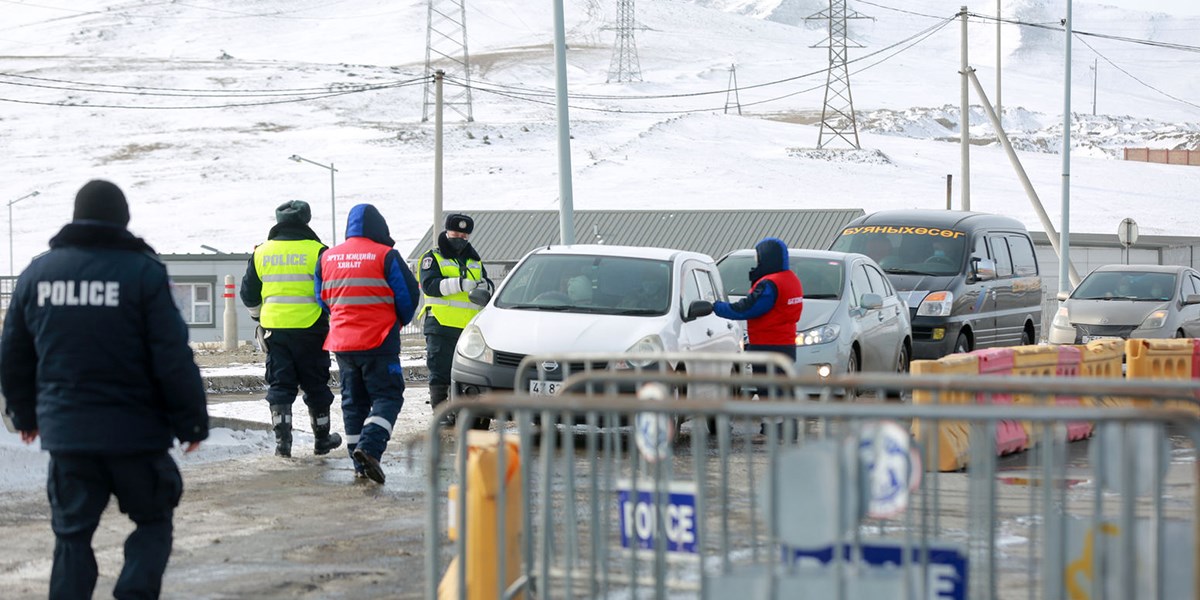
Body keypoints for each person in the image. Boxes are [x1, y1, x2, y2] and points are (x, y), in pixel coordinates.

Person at [0, 180, 209, 599]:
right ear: (123, 220)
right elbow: (171, 355)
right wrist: (191, 422)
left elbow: (13, 354)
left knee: (72, 536)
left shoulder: (38, 274)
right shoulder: (144, 273)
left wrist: (25, 415)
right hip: (137, 437)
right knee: (153, 522)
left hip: (69, 438)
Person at [315, 204, 419, 484]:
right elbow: (408, 297)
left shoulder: (327, 258)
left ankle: (358, 462)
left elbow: (321, 298)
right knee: (388, 396)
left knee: (354, 402)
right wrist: (398, 321)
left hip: (342, 342)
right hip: (379, 340)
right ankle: (370, 449)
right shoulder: (385, 255)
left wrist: (343, 318)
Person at [241, 200, 342, 458]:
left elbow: (248, 294)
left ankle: (282, 445)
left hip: (276, 332)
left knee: (280, 385)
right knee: (316, 385)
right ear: (306, 220)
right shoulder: (318, 252)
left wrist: (259, 320)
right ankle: (322, 440)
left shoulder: (262, 252)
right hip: (311, 330)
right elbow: (332, 293)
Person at [417, 213, 493, 426]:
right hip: (441, 325)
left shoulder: (475, 260)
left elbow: (488, 283)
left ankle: (465, 413)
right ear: (447, 232)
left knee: (468, 374)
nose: (460, 237)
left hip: (469, 329)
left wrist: (486, 287)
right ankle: (441, 413)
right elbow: (430, 285)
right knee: (440, 373)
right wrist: (460, 284)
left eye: (464, 234)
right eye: (456, 233)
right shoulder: (432, 257)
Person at [712, 237, 804, 394]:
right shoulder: (792, 280)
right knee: (781, 390)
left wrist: (716, 307)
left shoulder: (770, 283)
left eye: (758, 256)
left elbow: (747, 308)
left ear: (767, 256)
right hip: (786, 345)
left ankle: (776, 419)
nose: (757, 261)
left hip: (768, 346)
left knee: (769, 391)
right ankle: (781, 418)